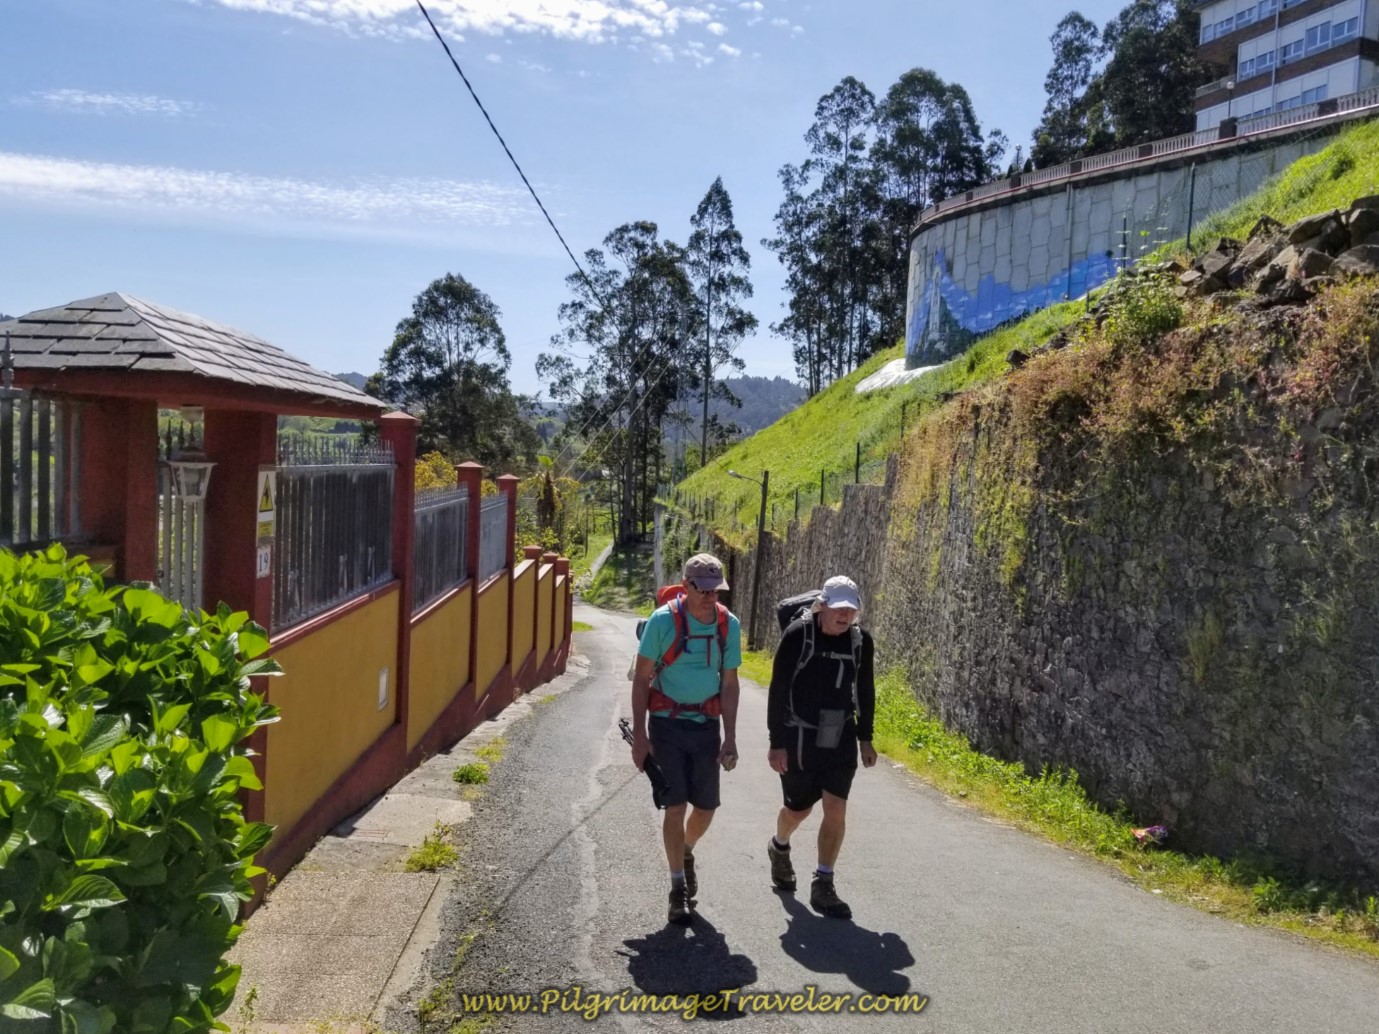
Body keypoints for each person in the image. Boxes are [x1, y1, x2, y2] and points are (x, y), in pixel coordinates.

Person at [630, 553, 742, 924]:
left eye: (717, 589)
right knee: (675, 806)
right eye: (704, 589)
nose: (712, 596)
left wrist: (731, 738)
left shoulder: (729, 626)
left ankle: (687, 850)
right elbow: (641, 679)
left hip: (705, 726)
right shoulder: (663, 622)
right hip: (666, 723)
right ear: (687, 585)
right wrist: (640, 736)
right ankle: (677, 886)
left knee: (706, 808)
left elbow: (729, 683)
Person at [766, 575, 877, 920]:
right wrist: (776, 742)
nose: (845, 616)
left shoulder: (861, 641)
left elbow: (865, 687)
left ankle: (823, 882)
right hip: (800, 736)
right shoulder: (798, 635)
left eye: (852, 610)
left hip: (840, 735)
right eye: (839, 608)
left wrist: (865, 737)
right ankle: (779, 845)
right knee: (798, 811)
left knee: (835, 808)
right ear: (823, 606)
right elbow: (778, 688)